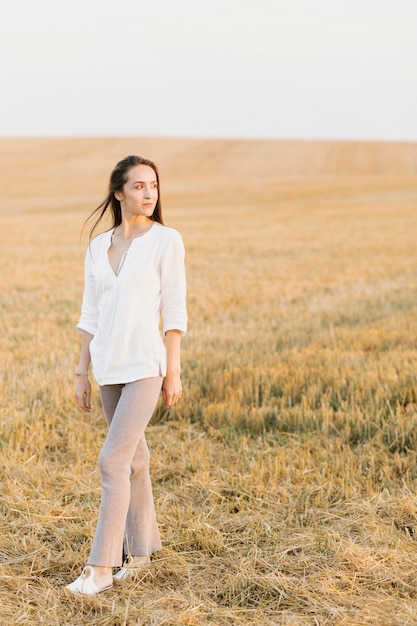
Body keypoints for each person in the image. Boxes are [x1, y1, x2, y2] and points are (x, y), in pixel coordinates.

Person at [65, 155, 187, 595]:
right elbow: (90, 312)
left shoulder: (166, 241)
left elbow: (174, 309)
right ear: (118, 193)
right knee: (134, 460)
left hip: (144, 366)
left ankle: (100, 568)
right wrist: (82, 371)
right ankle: (141, 554)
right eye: (138, 186)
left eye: (152, 185)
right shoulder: (98, 246)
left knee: (112, 461)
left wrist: (172, 370)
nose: (148, 193)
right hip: (108, 366)